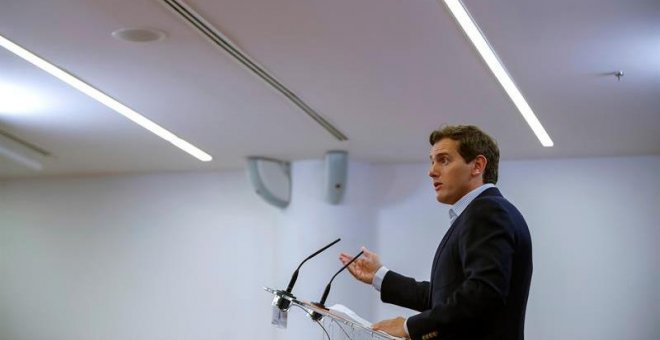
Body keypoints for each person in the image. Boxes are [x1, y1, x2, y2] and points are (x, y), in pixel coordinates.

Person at [340, 125, 532, 340]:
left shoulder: (487, 212)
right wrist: (379, 275)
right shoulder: (481, 213)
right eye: (432, 161)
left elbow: (483, 294)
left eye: (444, 160)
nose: (432, 171)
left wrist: (409, 326)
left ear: (477, 165)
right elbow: (448, 297)